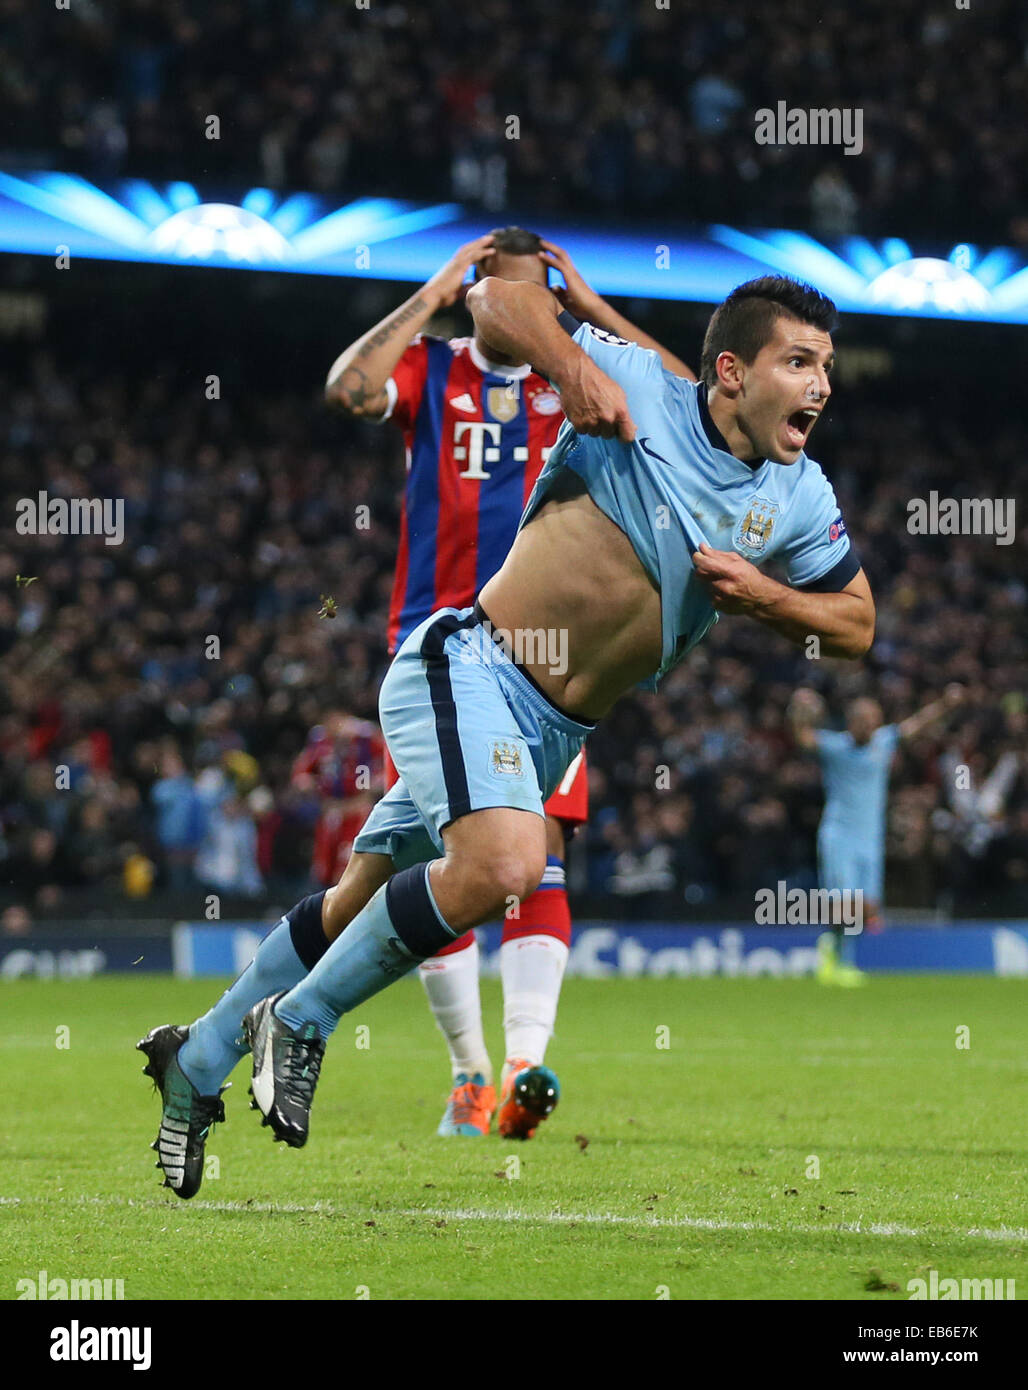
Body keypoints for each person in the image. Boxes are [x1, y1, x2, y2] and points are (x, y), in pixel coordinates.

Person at [142, 271, 874, 1192]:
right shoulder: (642, 388)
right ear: (731, 371)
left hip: (559, 730)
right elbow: (494, 299)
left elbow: (857, 625)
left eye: (827, 367)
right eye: (798, 361)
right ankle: (304, 1019)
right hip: (473, 666)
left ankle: (197, 1060)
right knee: (505, 865)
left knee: (349, 902)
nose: (820, 385)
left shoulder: (799, 496)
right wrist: (567, 367)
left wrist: (761, 597)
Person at [319, 225, 693, 1139]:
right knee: (446, 855)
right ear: (482, 292)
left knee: (540, 856)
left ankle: (523, 1068)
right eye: (510, 297)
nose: (529, 316)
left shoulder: (573, 385)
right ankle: (469, 1074)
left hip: (546, 655)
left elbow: (691, 409)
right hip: (437, 652)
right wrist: (435, 289)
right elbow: (349, 388)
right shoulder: (434, 370)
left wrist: (595, 312)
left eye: (544, 302)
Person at [788, 684, 965, 985]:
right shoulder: (835, 746)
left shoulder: (885, 742)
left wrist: (946, 705)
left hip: (870, 839)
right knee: (844, 905)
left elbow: (917, 724)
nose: (870, 725)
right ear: (852, 722)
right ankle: (838, 961)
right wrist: (797, 710)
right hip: (839, 835)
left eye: (874, 720)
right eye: (864, 720)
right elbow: (802, 737)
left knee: (867, 909)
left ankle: (835, 950)